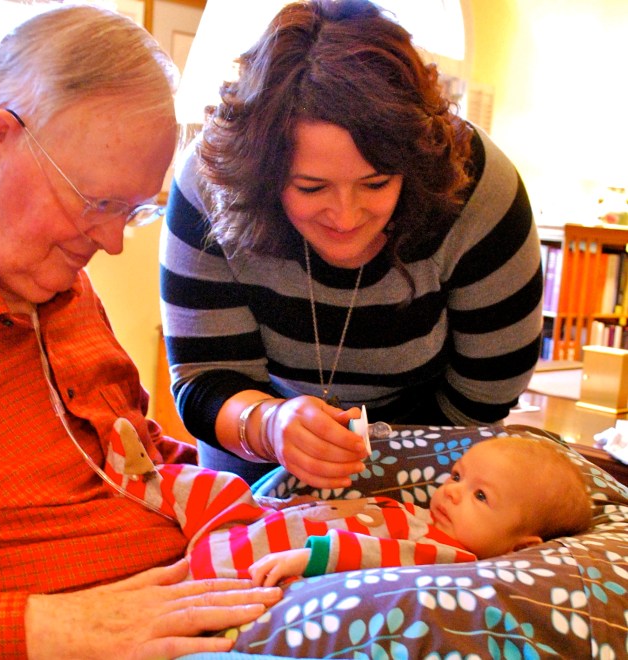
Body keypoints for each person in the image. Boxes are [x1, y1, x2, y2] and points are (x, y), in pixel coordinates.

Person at [0, 6, 282, 658]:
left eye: (132, 211)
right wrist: (45, 628)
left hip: (211, 587)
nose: (112, 243)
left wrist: (258, 503)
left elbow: (131, 454)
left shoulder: (59, 285)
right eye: (97, 202)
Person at [159, 0, 544, 487]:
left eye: (376, 183)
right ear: (263, 177)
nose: (345, 216)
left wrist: (378, 472)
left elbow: (485, 394)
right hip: (253, 453)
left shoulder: (476, 185)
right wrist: (269, 426)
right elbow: (206, 378)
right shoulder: (213, 181)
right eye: (311, 188)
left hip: (434, 454)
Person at [107, 424, 592, 588]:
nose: (451, 491)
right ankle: (142, 480)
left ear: (518, 547)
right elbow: (354, 512)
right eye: (458, 476)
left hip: (261, 558)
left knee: (212, 511)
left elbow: (372, 554)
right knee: (222, 486)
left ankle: (141, 485)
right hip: (267, 522)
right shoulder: (426, 518)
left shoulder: (450, 556)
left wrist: (307, 558)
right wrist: (297, 505)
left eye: (480, 496)